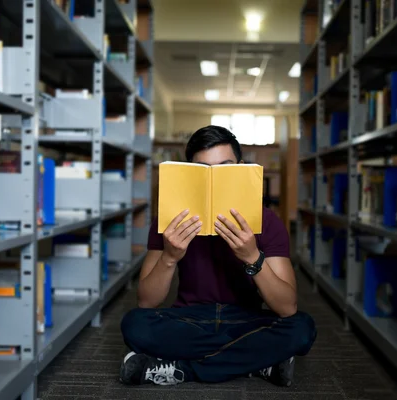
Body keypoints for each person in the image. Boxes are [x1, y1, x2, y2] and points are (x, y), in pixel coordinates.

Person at [119, 125, 316, 387]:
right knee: (135, 324)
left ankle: (183, 369)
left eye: (226, 168)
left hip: (246, 320)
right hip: (190, 320)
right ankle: (254, 362)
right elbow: (146, 301)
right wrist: (169, 256)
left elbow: (286, 306)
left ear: (242, 169)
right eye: (205, 171)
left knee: (302, 328)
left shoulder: (267, 221)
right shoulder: (168, 221)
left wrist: (252, 257)